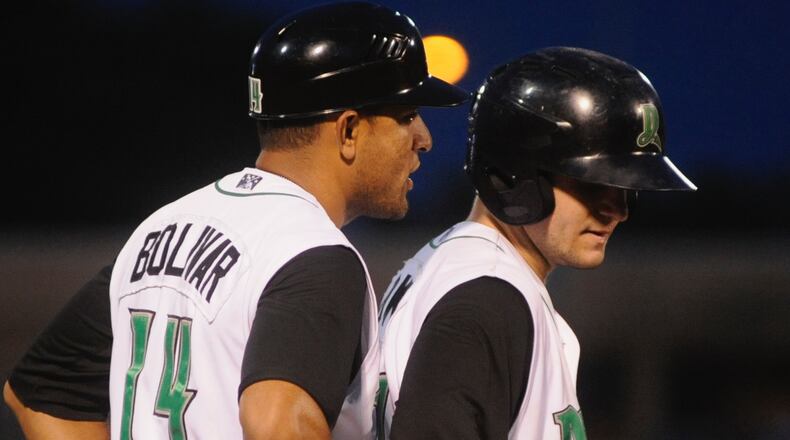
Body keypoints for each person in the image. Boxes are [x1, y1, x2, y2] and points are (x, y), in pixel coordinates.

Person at [3, 2, 468, 439]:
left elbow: (40, 393)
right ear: (348, 131)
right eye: (407, 116)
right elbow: (276, 424)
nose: (423, 139)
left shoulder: (159, 229)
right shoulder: (312, 254)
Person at [376, 47, 697, 439]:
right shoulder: (487, 298)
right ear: (513, 175)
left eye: (625, 187)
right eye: (593, 184)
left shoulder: (448, 264)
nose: (617, 210)